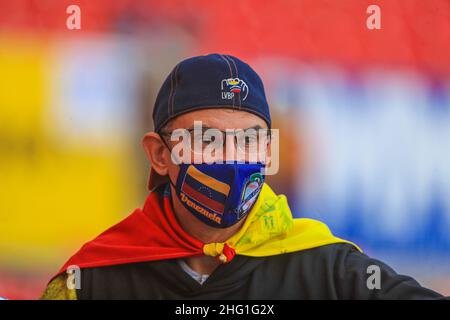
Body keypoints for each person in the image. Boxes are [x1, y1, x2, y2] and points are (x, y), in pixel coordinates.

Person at [41, 53, 446, 299]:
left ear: (268, 151)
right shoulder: (92, 281)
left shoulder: (329, 269)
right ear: (160, 154)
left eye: (250, 140)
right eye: (208, 139)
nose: (232, 158)